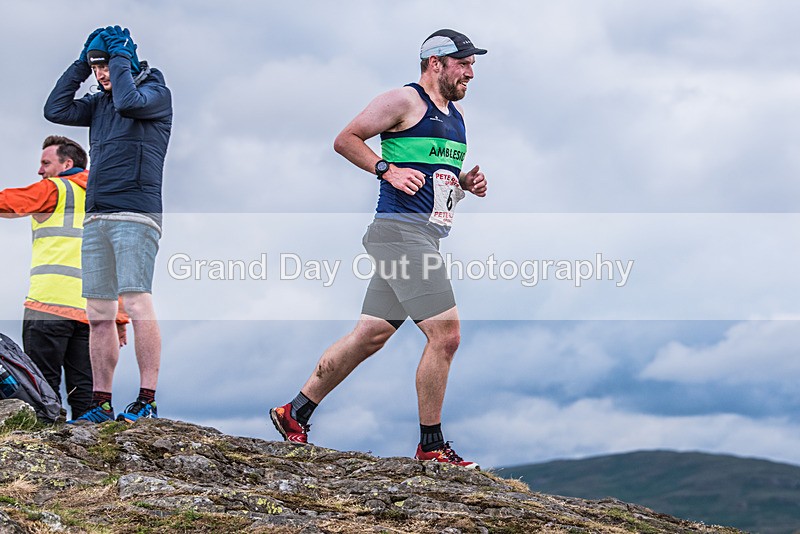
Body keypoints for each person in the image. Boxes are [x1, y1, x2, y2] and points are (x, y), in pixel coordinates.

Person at [270, 29, 488, 468]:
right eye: (463, 63)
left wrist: (463, 184)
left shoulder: (457, 117)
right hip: (398, 234)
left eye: (472, 64)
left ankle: (294, 411)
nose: (470, 71)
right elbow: (346, 138)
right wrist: (385, 169)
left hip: (422, 235)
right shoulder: (403, 101)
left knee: (370, 335)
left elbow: (433, 184)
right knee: (446, 336)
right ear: (435, 63)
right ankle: (431, 446)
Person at [44, 25, 173, 424]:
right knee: (99, 313)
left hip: (136, 211)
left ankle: (146, 399)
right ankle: (100, 403)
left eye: (106, 65)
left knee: (135, 300)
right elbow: (56, 109)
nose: (102, 73)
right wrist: (81, 65)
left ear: (126, 61)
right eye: (97, 66)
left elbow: (130, 101)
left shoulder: (154, 93)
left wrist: (119, 59)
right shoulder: (99, 104)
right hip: (97, 214)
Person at [0, 136, 127, 419]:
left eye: (46, 163)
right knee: (87, 391)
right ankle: (88, 449)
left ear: (67, 164)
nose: (40, 170)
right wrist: (119, 318)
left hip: (48, 304)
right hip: (92, 312)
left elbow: (7, 203)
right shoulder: (101, 200)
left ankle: (49, 447)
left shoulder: (55, 189)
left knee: (42, 387)